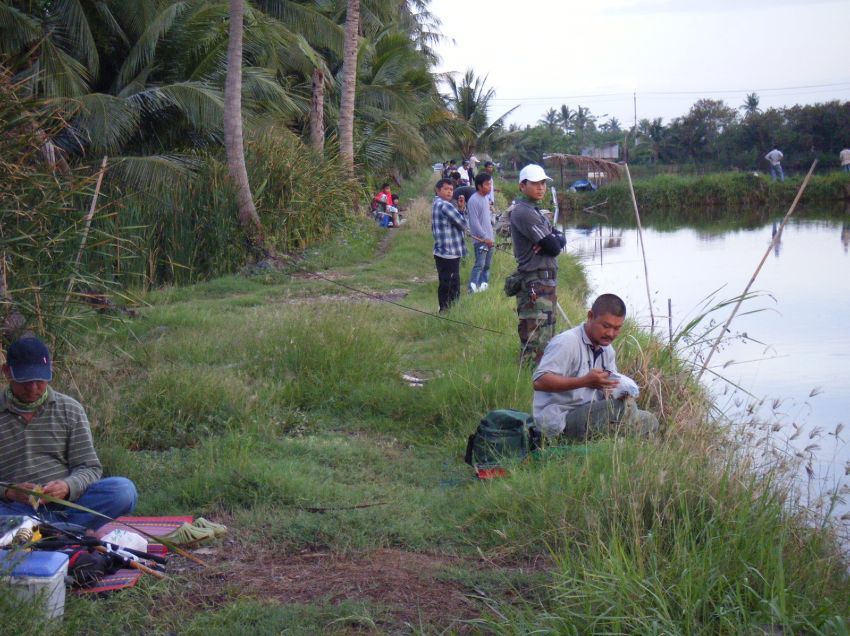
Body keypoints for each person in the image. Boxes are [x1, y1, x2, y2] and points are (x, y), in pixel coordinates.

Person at [0, 337, 137, 529]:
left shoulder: (69, 409)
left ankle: (39, 530)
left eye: (40, 380)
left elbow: (89, 468)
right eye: (25, 381)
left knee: (123, 490)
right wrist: (9, 492)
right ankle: (66, 530)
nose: (33, 388)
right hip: (15, 507)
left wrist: (67, 486)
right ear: (7, 372)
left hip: (68, 504)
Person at [532, 294, 659, 440]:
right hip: (558, 421)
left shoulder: (607, 350)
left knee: (649, 420)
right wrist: (585, 381)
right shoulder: (567, 342)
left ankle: (617, 452)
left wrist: (617, 391)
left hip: (590, 414)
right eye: (606, 326)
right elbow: (539, 381)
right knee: (621, 410)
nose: (611, 333)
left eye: (617, 328)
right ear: (590, 316)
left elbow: (607, 391)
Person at [510, 164, 565, 365]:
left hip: (545, 283)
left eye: (542, 183)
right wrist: (551, 241)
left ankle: (541, 381)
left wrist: (552, 240)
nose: (540, 187)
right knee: (534, 339)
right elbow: (554, 246)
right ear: (522, 186)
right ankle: (528, 382)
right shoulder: (523, 212)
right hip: (535, 283)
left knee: (547, 336)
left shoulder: (535, 211)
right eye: (534, 183)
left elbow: (559, 239)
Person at [431, 178, 467, 312]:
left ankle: (444, 310)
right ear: (438, 190)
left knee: (444, 283)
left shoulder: (436, 203)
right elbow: (463, 224)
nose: (449, 192)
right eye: (446, 189)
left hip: (440, 250)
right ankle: (451, 312)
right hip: (449, 252)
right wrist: (462, 209)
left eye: (451, 189)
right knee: (453, 284)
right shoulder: (446, 205)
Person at [467, 172, 495, 293]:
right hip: (481, 241)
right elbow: (474, 223)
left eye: (490, 184)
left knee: (487, 265)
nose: (490, 187)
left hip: (489, 239)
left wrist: (491, 237)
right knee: (480, 264)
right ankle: (472, 289)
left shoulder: (485, 198)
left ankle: (483, 287)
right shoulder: (473, 200)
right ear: (479, 186)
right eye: (487, 184)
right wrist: (485, 238)